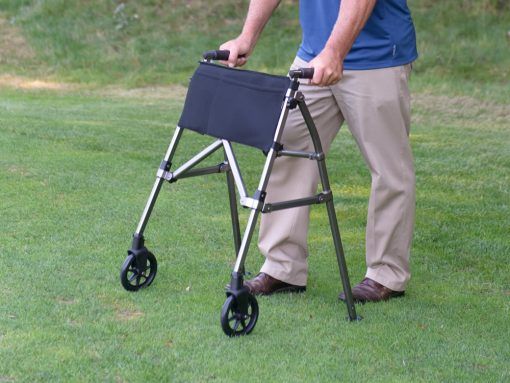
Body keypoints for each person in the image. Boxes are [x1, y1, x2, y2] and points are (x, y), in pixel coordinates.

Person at [220, 0, 417, 303]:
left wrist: (335, 52)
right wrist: (247, 36)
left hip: (376, 58)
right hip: (313, 57)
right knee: (285, 146)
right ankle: (283, 267)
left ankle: (386, 274)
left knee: (389, 169)